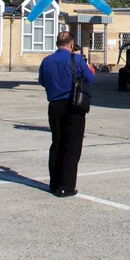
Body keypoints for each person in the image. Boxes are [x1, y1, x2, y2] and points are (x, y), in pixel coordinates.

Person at [39, 31, 94, 197]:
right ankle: (66, 186)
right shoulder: (76, 59)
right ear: (71, 44)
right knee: (72, 146)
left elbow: (42, 81)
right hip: (73, 106)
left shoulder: (46, 61)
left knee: (56, 143)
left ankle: (54, 183)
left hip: (54, 105)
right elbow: (90, 78)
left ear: (57, 44)